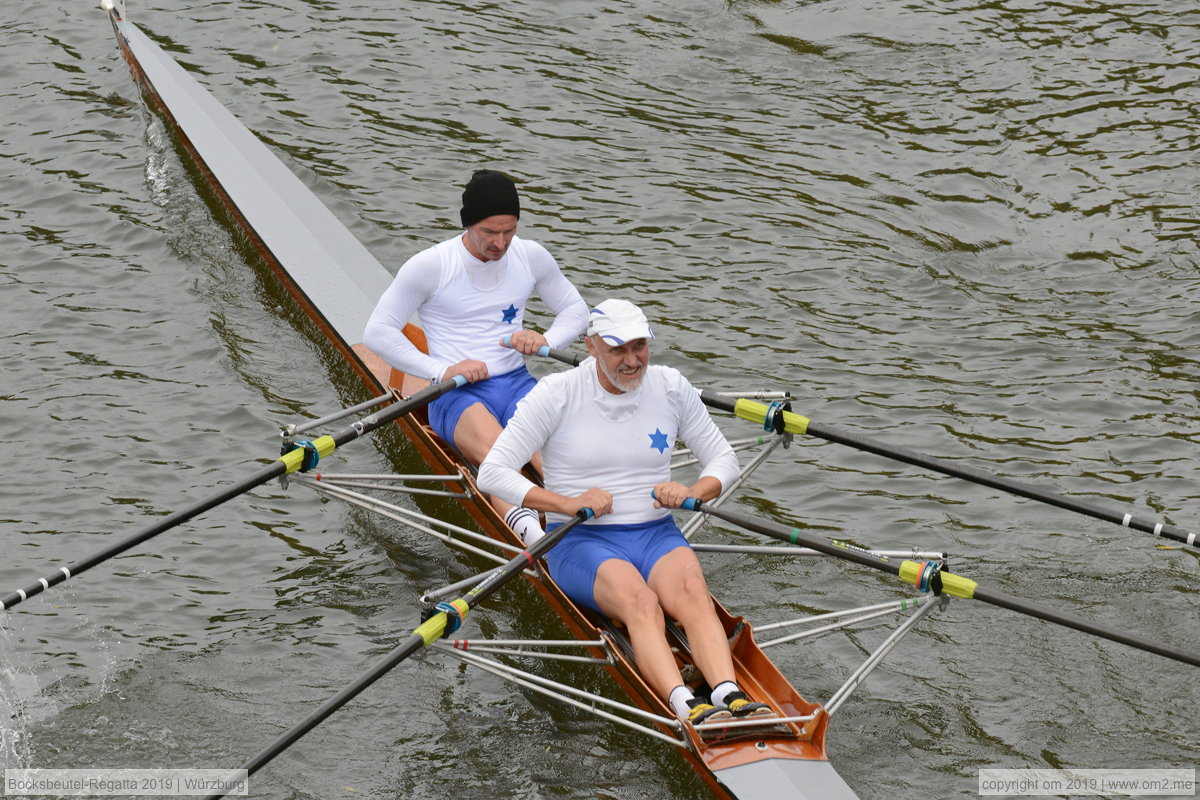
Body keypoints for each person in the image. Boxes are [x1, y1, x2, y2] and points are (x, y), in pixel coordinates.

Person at [477, 299, 773, 725]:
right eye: (618, 350)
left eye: (639, 347)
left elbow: (724, 460)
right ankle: (685, 707)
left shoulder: (670, 386)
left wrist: (692, 491)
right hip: (581, 540)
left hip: (656, 533)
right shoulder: (557, 394)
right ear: (591, 346)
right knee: (641, 601)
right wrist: (565, 503)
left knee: (693, 593)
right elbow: (492, 473)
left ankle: (729, 694)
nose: (632, 361)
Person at [363, 169, 589, 542]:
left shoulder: (531, 256)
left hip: (516, 383)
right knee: (500, 458)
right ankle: (537, 542)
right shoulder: (431, 266)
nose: (501, 243)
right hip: (456, 392)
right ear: (468, 224)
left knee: (561, 458)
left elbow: (576, 312)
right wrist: (442, 368)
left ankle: (585, 529)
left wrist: (544, 338)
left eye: (509, 231)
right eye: (489, 232)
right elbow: (378, 332)